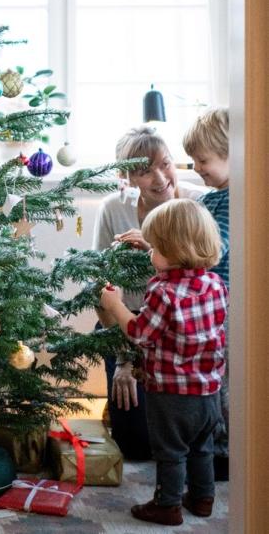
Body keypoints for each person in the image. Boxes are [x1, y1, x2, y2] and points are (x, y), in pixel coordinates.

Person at [99, 198, 227, 526]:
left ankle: (167, 504)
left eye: (154, 248)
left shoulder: (163, 292)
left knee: (170, 452)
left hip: (172, 395)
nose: (150, 253)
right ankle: (202, 499)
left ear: (171, 249)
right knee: (202, 447)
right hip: (209, 391)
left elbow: (140, 333)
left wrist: (115, 305)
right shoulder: (215, 285)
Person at [92, 127, 206, 460]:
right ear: (127, 177)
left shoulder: (198, 204)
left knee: (180, 441)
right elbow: (100, 287)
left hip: (180, 335)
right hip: (128, 327)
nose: (160, 178)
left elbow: (206, 281)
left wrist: (152, 249)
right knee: (137, 448)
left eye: (166, 164)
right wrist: (125, 360)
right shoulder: (113, 209)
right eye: (144, 171)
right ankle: (121, 407)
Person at [183, 107, 230, 481]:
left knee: (225, 386)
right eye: (193, 161)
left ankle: (227, 452)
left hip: (226, 310)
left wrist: (172, 249)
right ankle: (212, 447)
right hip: (206, 309)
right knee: (210, 383)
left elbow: (217, 249)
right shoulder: (209, 200)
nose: (197, 167)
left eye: (203, 160)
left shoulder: (236, 200)